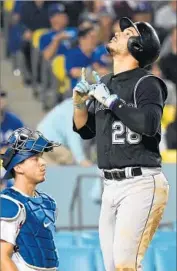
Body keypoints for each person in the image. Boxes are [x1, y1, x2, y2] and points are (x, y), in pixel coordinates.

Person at [72, 17, 169, 271]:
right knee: (114, 267)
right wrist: (80, 102)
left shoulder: (147, 83)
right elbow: (85, 130)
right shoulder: (105, 83)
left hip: (140, 181)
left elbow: (149, 124)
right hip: (110, 185)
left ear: (138, 46)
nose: (117, 33)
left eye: (127, 33)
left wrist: (113, 102)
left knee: (125, 265)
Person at [0, 127, 60, 271]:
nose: (43, 162)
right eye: (34, 159)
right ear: (18, 167)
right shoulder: (9, 203)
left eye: (41, 156)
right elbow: (2, 257)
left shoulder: (48, 203)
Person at [37, 98, 92, 166]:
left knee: (52, 169)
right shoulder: (77, 111)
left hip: (41, 138)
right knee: (70, 158)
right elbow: (73, 137)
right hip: (46, 140)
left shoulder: (76, 104)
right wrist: (82, 160)